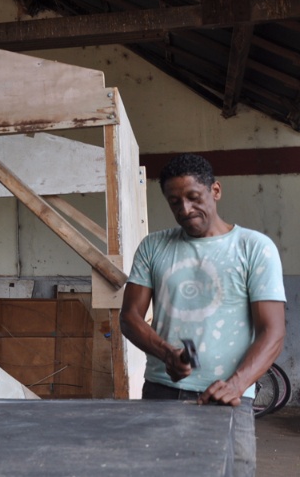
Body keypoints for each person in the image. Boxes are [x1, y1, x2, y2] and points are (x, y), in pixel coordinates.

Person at [120, 153, 286, 477]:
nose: (185, 209)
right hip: (161, 391)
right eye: (174, 202)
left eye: (193, 197)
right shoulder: (153, 246)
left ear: (216, 191)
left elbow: (273, 331)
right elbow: (129, 317)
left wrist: (237, 385)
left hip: (229, 398)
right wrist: (166, 353)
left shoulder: (254, 247)